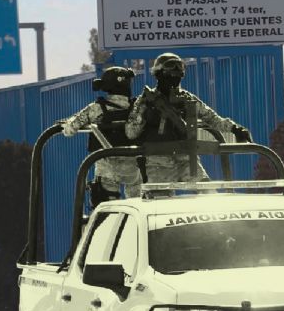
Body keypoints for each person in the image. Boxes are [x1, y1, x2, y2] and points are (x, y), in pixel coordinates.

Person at [125, 53, 252, 182]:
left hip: (186, 159)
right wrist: (146, 112)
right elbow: (130, 133)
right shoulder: (147, 100)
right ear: (159, 72)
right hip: (158, 162)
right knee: (158, 199)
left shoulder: (187, 98)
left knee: (207, 193)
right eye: (171, 68)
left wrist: (235, 129)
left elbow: (212, 118)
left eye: (179, 68)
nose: (175, 74)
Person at [60, 66, 141, 205]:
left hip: (108, 170)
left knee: (107, 214)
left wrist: (66, 123)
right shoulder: (138, 108)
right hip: (133, 169)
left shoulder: (96, 109)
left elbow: (70, 130)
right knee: (138, 208)